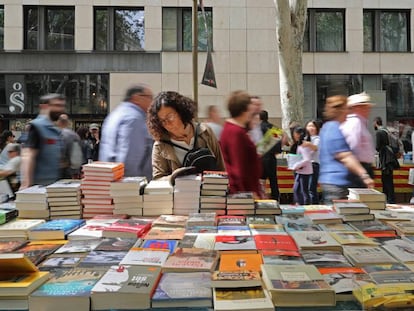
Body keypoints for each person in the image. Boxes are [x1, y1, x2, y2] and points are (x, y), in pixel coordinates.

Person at [147, 91, 225, 179]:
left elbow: (221, 167)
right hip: (180, 192)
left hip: (210, 191)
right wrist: (175, 176)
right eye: (162, 121)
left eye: (170, 117)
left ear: (181, 111)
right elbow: (158, 179)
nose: (167, 123)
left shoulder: (205, 132)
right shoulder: (160, 146)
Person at [319, 95, 375, 204]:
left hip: (334, 181)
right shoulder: (334, 128)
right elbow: (345, 156)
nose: (349, 112)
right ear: (341, 110)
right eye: (347, 109)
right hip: (339, 183)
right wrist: (364, 175)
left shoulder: (326, 128)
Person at [99, 84, 154, 180]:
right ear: (137, 98)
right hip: (130, 185)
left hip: (111, 181)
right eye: (150, 97)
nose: (152, 102)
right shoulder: (134, 118)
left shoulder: (115, 114)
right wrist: (131, 189)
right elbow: (130, 158)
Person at [220, 90, 262, 197]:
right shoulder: (236, 132)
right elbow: (238, 167)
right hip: (244, 192)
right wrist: (247, 194)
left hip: (245, 190)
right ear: (244, 110)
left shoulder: (234, 130)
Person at [20, 93, 65, 189]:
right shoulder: (36, 127)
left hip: (52, 186)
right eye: (57, 105)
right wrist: (26, 184)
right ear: (44, 106)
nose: (60, 109)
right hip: (38, 188)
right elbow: (28, 156)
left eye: (62, 106)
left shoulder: (55, 130)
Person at [340, 92, 376, 187]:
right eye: (365, 107)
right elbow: (352, 148)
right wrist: (362, 174)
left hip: (359, 169)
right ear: (357, 107)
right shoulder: (355, 123)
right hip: (357, 170)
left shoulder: (358, 123)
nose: (368, 110)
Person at [374, 116, 399, 204]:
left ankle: (388, 198)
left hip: (385, 159)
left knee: (385, 180)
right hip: (391, 158)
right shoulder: (387, 131)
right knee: (389, 179)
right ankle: (390, 198)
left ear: (376, 123)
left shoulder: (379, 133)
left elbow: (377, 147)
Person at [259, 110, 281, 201]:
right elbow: (278, 147)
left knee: (260, 180)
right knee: (273, 180)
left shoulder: (257, 128)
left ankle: (261, 198)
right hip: (271, 158)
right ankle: (276, 198)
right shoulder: (274, 128)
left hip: (260, 158)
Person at [291, 127, 313, 205]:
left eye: (296, 134)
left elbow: (306, 159)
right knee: (297, 189)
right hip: (301, 170)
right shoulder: (301, 144)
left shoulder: (304, 145)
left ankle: (305, 205)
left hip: (304, 170)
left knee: (303, 190)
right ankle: (299, 203)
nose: (294, 135)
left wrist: (296, 165)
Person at [56, 113, 83, 179]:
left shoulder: (59, 135)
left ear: (59, 122)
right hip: (74, 170)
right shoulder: (75, 135)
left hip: (62, 170)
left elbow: (60, 154)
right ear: (67, 122)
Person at [304, 119, 321, 204]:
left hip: (313, 164)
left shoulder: (317, 138)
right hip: (304, 165)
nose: (310, 128)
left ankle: (314, 205)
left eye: (313, 126)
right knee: (305, 188)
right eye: (309, 126)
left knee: (311, 188)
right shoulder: (305, 138)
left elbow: (315, 148)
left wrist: (307, 144)